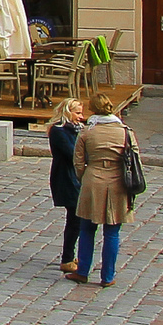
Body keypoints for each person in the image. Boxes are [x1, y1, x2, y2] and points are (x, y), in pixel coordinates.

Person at [72, 89, 134, 286]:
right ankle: (108, 276)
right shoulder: (125, 131)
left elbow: (78, 162)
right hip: (118, 181)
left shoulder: (87, 132)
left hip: (93, 179)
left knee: (87, 228)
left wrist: (85, 178)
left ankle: (82, 270)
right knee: (113, 231)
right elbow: (135, 158)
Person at [48, 97, 86, 274]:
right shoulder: (59, 131)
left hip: (78, 177)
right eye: (77, 113)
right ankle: (67, 258)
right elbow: (72, 154)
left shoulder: (79, 130)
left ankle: (74, 254)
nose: (81, 117)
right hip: (66, 177)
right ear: (67, 112)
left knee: (78, 219)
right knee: (74, 219)